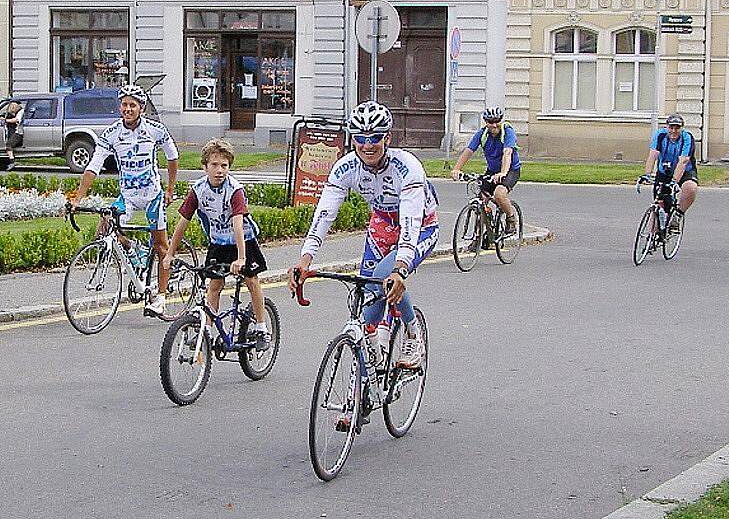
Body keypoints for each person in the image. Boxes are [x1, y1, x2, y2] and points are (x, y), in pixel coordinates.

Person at [289, 100, 439, 370]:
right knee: (368, 292)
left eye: (375, 138)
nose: (367, 145)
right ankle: (372, 362)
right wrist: (305, 258)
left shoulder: (408, 167)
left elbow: (410, 220)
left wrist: (401, 268)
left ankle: (413, 333)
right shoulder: (346, 168)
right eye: (360, 138)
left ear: (388, 138)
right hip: (381, 225)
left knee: (385, 276)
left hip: (419, 227)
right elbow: (325, 213)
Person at [68, 84, 179, 317]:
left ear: (141, 108)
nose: (127, 109)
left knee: (160, 246)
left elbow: (173, 157)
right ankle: (134, 250)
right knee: (104, 227)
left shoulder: (156, 130)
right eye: (124, 104)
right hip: (127, 195)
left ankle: (160, 297)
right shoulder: (111, 134)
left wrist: (169, 189)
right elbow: (93, 167)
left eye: (132, 105)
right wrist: (78, 198)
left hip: (152, 195)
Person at [162, 139, 270, 351]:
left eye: (224, 166)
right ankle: (208, 332)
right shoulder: (199, 189)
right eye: (214, 165)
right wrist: (170, 254)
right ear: (205, 166)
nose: (220, 170)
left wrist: (241, 258)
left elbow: (237, 224)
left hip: (243, 242)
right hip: (219, 242)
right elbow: (182, 222)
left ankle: (261, 328)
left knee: (251, 280)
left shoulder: (234, 190)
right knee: (214, 286)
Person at [450, 106, 521, 245]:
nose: (494, 125)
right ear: (485, 122)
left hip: (510, 170)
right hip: (492, 170)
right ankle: (479, 237)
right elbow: (468, 151)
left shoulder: (507, 132)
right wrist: (456, 169)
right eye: (490, 121)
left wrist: (503, 173)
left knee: (499, 194)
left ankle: (511, 219)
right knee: (481, 200)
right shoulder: (482, 134)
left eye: (497, 121)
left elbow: (507, 153)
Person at [642, 113, 698, 231]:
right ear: (666, 127)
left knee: (690, 188)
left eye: (677, 128)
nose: (673, 131)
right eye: (671, 127)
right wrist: (647, 174)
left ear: (682, 128)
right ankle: (651, 239)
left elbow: (683, 161)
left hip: (684, 171)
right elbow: (653, 155)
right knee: (659, 204)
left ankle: (677, 215)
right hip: (664, 170)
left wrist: (674, 181)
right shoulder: (660, 135)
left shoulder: (687, 138)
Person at [3, 101, 24, 170]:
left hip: (19, 133)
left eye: (13, 106)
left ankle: (12, 162)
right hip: (17, 132)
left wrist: (5, 120)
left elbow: (16, 120)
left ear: (17, 106)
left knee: (8, 145)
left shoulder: (21, 112)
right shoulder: (17, 112)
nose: (12, 108)